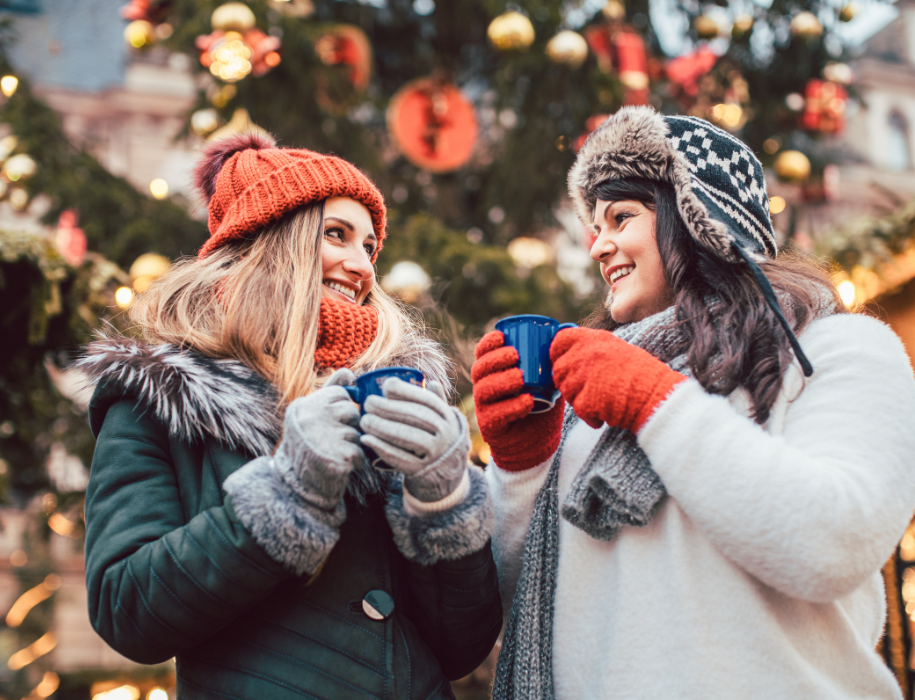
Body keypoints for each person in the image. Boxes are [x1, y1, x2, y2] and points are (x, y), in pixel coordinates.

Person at [472, 106, 915, 700]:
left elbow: (833, 542)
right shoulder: (588, 401)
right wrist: (521, 466)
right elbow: (529, 604)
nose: (600, 245)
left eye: (621, 217)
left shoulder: (837, 349)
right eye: (594, 227)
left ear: (698, 218)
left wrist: (655, 403)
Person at [79, 132, 501, 700]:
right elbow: (126, 609)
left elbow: (461, 649)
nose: (362, 266)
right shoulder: (161, 399)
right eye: (336, 234)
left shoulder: (399, 394)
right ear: (271, 241)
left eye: (370, 246)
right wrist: (288, 492)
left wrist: (443, 499)